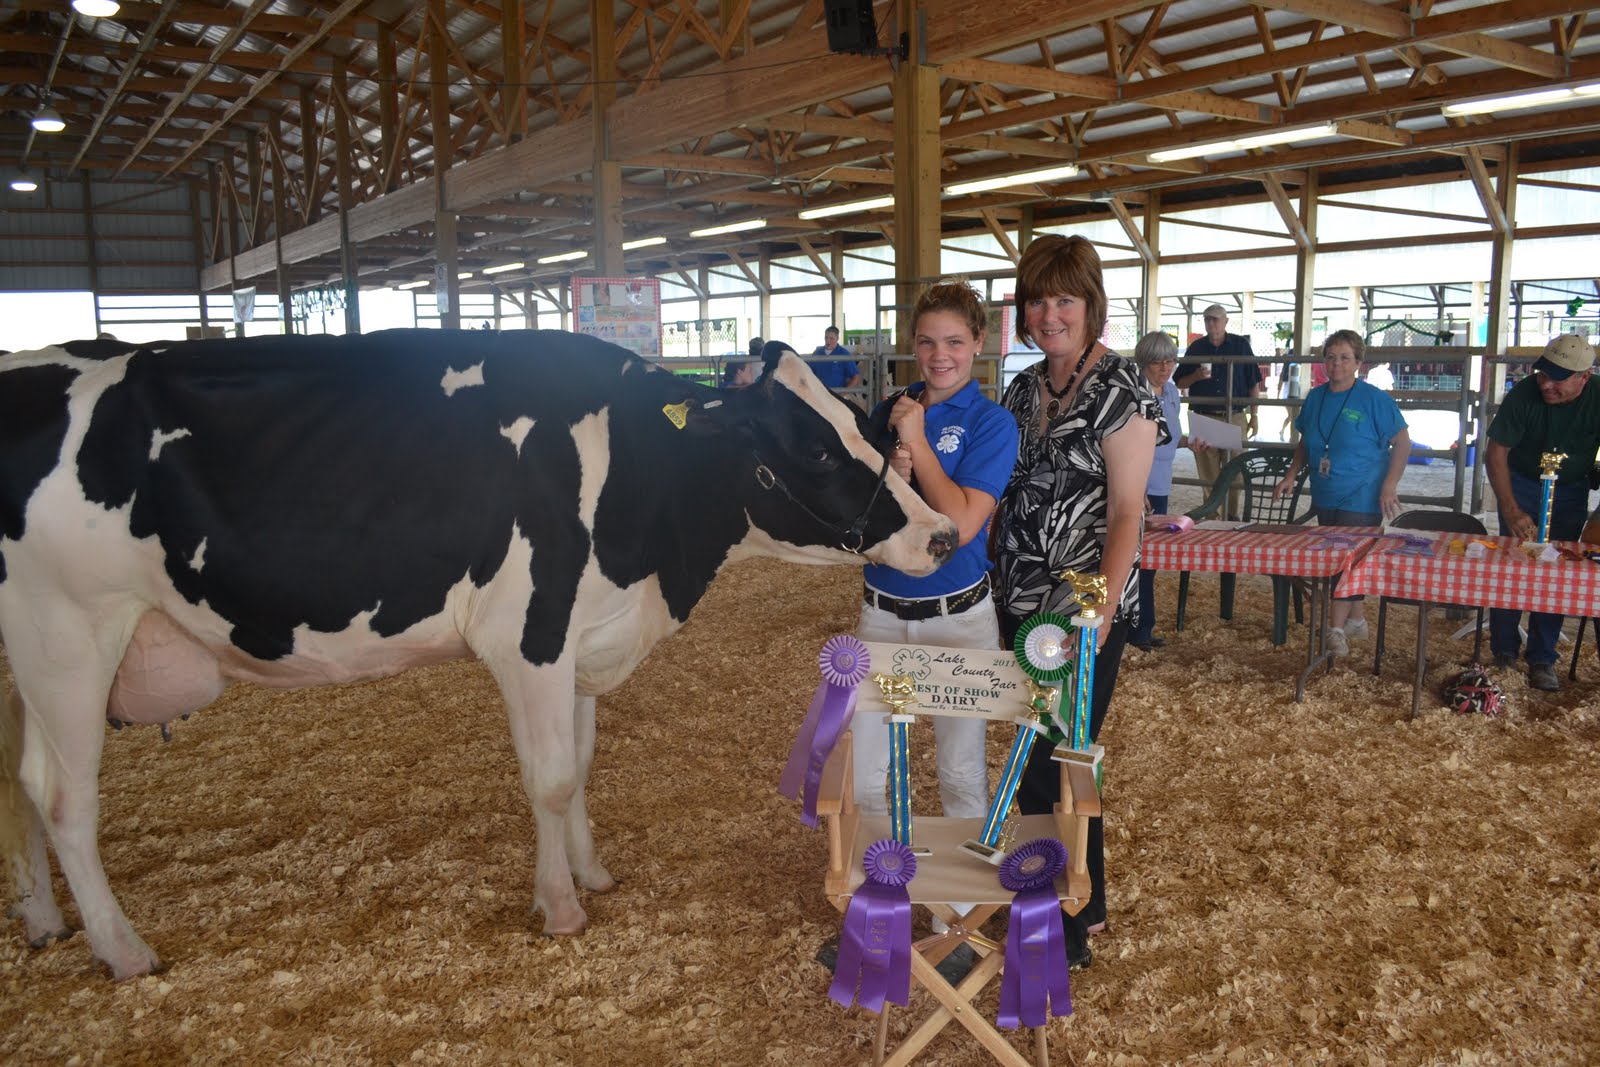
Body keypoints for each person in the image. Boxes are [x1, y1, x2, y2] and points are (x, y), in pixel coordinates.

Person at [992, 234, 1164, 970]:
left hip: (1081, 608)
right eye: (1037, 299)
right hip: (1015, 599)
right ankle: (1081, 904)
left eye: (1063, 298)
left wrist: (1097, 608)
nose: (1048, 313)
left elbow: (1128, 510)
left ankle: (1052, 914)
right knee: (1053, 751)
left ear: (1091, 305)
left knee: (1052, 755)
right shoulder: (1020, 389)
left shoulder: (1124, 391)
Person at [854, 280, 1019, 831]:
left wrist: (918, 446)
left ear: (978, 343)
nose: (938, 356)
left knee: (961, 772)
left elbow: (964, 526)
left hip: (958, 615)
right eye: (926, 342)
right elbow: (859, 513)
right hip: (882, 608)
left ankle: (961, 914)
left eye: (953, 341)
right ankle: (877, 895)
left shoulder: (992, 423)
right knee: (866, 773)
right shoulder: (887, 411)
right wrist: (889, 481)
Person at [1271, 329, 1410, 659]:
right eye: (1330, 356)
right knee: (1350, 559)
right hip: (1327, 489)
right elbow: (1306, 441)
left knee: (1342, 562)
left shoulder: (1374, 399)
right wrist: (1291, 475)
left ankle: (1334, 631)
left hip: (1363, 492)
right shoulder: (1316, 398)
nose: (1337, 363)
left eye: (1345, 357)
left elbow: (1402, 442)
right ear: (1322, 362)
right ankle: (1357, 620)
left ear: (1358, 363)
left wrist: (1389, 485)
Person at [1485, 333, 1600, 692]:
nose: (1546, 384)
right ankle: (1503, 652)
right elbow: (1497, 451)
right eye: (1542, 374)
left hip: (1570, 489)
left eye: (1559, 378)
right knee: (1512, 562)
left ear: (1584, 376)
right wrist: (1511, 508)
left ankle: (1542, 658)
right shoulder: (1524, 393)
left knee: (1557, 568)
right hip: (1521, 482)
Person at [1130, 330, 1209, 653]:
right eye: (1157, 363)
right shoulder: (1134, 393)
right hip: (1139, 484)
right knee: (1134, 558)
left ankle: (1142, 627)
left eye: (1170, 361)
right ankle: (1133, 628)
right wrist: (1135, 487)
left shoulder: (1173, 390)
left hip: (1160, 482)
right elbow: (1129, 446)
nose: (1165, 368)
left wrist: (1189, 442)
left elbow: (1168, 436)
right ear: (1143, 364)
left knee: (1150, 559)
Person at [1175, 305, 1263, 517]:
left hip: (1235, 415)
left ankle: (1231, 516)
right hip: (1203, 415)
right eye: (1207, 320)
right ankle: (1213, 517)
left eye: (1215, 319)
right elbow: (1179, 381)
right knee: (1209, 474)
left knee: (1236, 473)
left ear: (1225, 321)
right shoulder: (1196, 348)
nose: (1211, 323)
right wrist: (1196, 376)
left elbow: (1254, 383)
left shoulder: (1241, 346)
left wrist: (1255, 414)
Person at [810, 325, 862, 390]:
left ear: (837, 339)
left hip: (836, 394)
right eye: (826, 338)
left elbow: (855, 377)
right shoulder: (817, 352)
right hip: (820, 394)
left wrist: (843, 393)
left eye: (831, 338)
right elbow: (809, 372)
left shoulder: (844, 354)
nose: (828, 341)